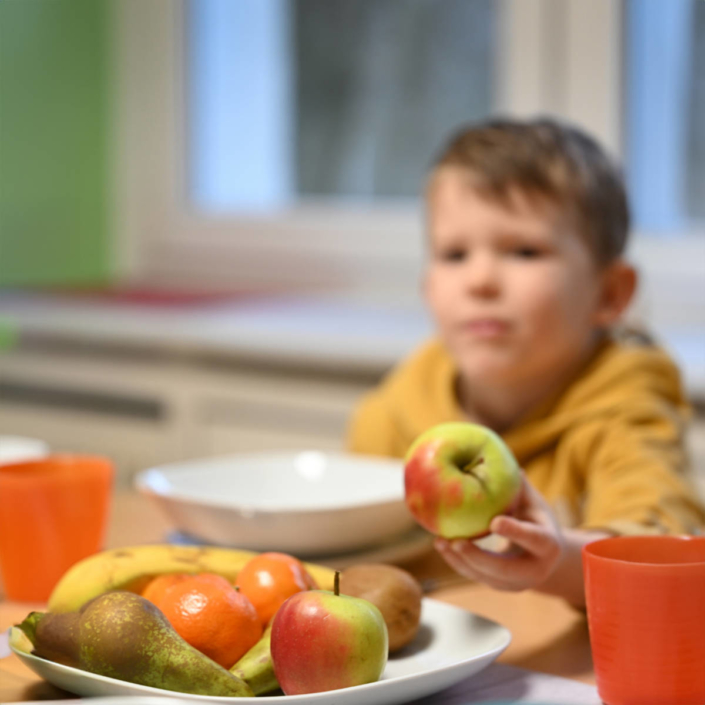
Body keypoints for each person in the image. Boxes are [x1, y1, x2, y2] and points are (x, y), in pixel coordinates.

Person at [346, 117, 705, 607]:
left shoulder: (625, 404)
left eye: (523, 251)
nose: (481, 281)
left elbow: (664, 554)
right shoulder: (393, 411)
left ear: (610, 293)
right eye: (454, 254)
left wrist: (558, 559)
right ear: (427, 286)